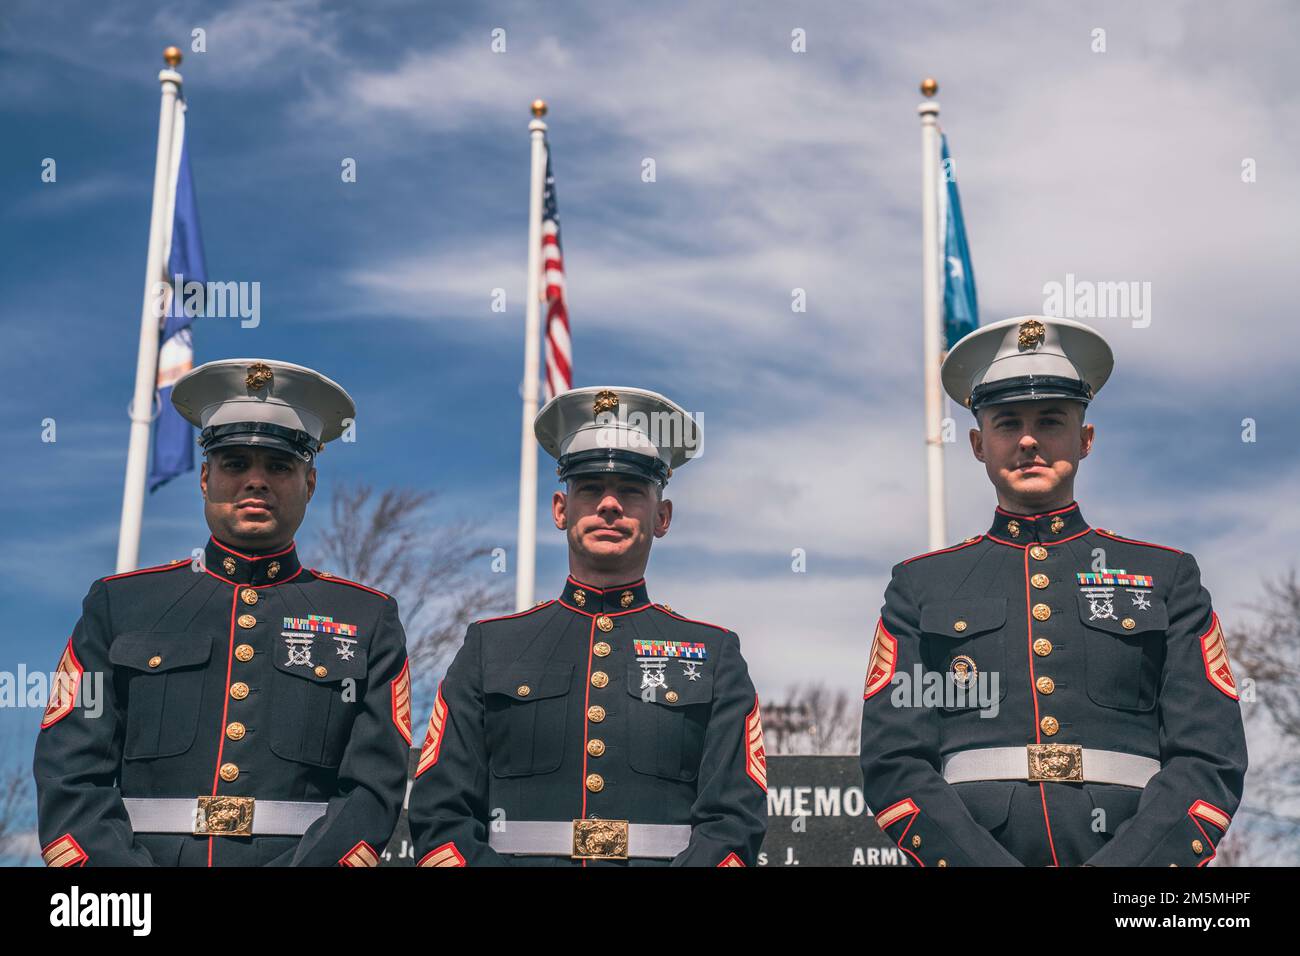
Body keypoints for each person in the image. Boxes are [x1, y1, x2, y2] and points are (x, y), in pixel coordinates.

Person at [859, 317, 1247, 867]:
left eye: (1050, 421)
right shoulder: (920, 586)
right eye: (1006, 422)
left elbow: (1208, 759)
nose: (1027, 440)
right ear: (976, 444)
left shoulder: (1167, 577)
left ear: (1086, 439)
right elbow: (895, 762)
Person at [34, 359, 411, 866]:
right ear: (206, 478)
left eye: (279, 466)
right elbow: (71, 773)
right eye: (235, 464)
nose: (256, 481)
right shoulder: (119, 606)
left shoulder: (368, 620)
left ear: (311, 483)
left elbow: (372, 789)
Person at [408, 386, 767, 866]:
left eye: (632, 491)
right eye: (592, 488)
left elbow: (734, 820)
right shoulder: (490, 646)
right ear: (561, 510)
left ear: (662, 517)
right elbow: (441, 813)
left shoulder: (715, 654)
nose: (610, 505)